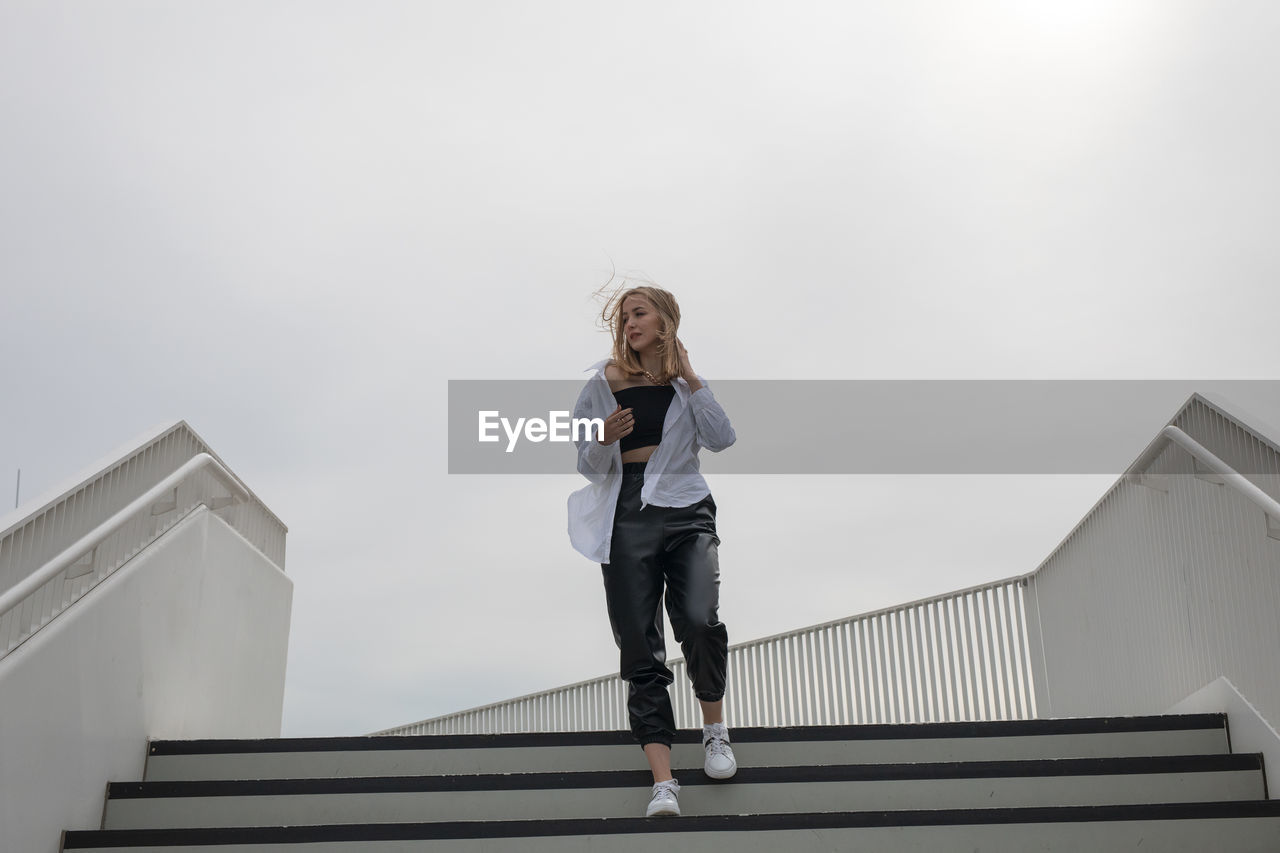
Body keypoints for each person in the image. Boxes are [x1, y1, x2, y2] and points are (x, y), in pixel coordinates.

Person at [567, 283, 737, 818]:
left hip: (686, 505)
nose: (629, 325)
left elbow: (722, 438)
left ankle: (715, 732)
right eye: (623, 319)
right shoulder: (603, 381)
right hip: (627, 510)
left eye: (638, 314)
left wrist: (692, 377)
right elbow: (587, 463)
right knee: (639, 642)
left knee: (699, 617)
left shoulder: (687, 386)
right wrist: (605, 438)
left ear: (665, 320)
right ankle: (664, 782)